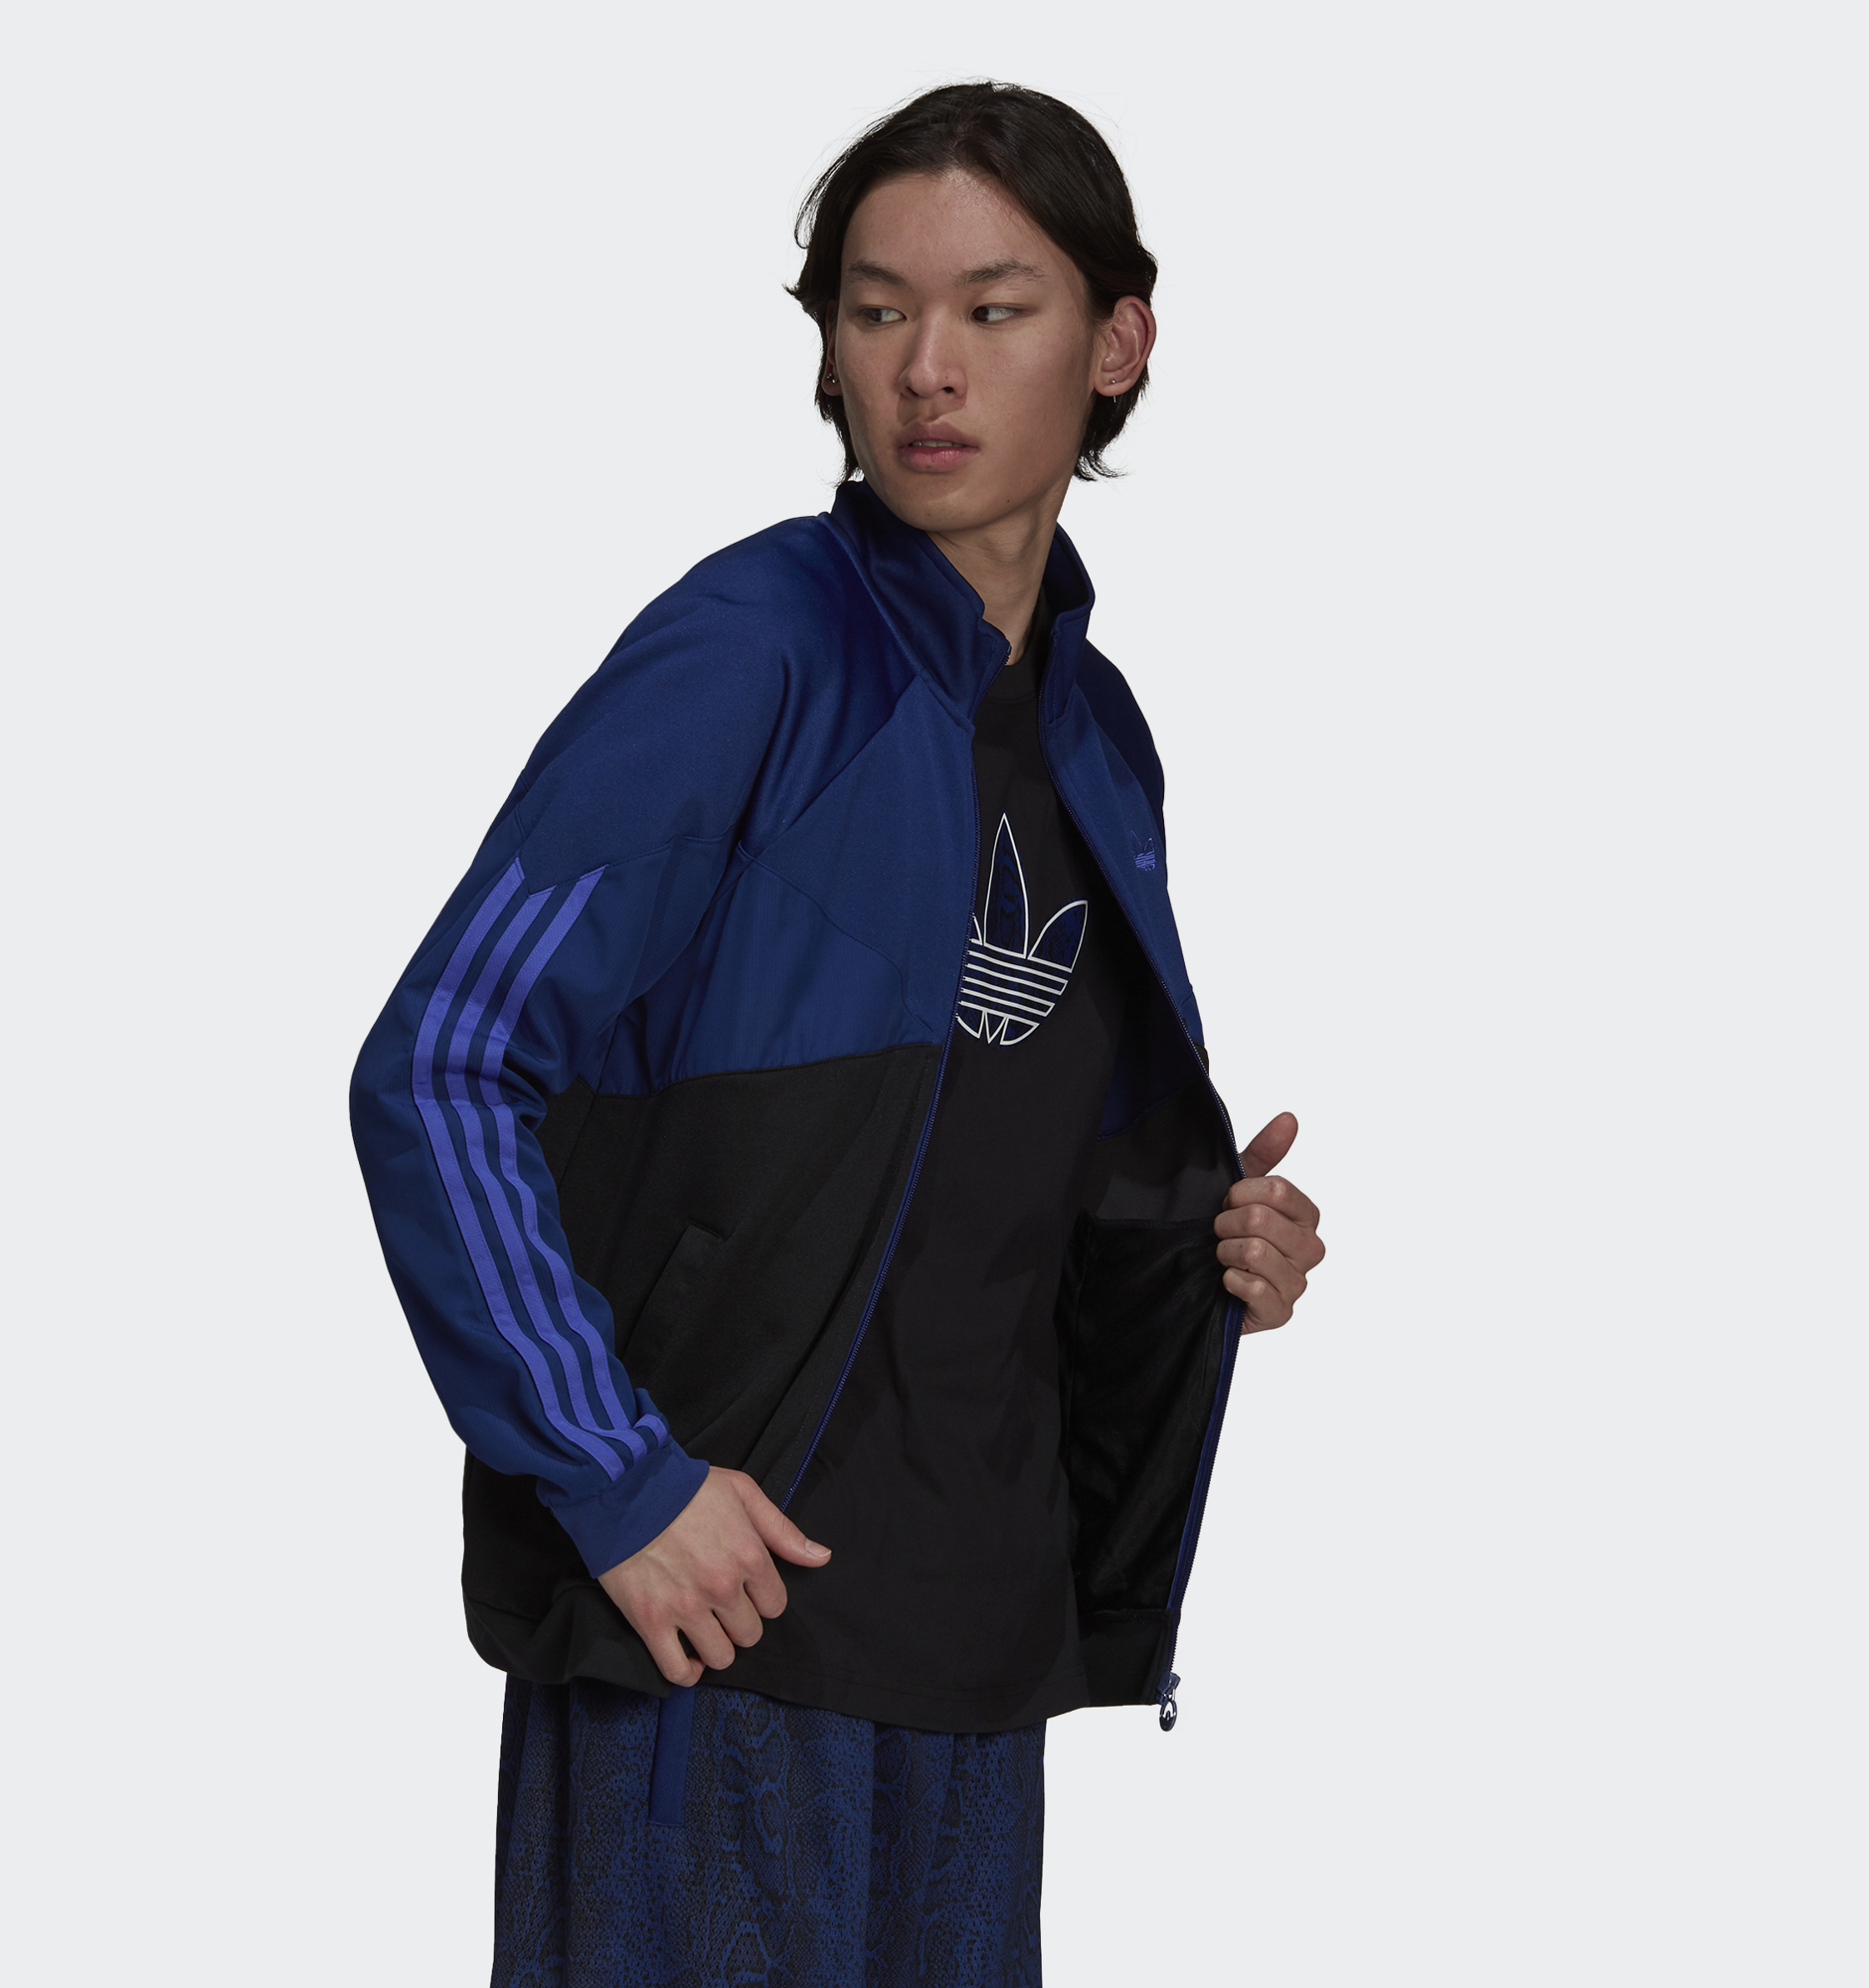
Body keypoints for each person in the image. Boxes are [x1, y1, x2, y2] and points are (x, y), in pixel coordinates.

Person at [352, 79, 1325, 1987]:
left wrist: (1207, 1253)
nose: (926, 370)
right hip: (721, 1645)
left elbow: (1012, 1165)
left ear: (1117, 343)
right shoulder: (753, 653)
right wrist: (617, 1478)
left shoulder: (1095, 733)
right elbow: (443, 1063)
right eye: (878, 311)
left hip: (976, 1655)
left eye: (994, 308)